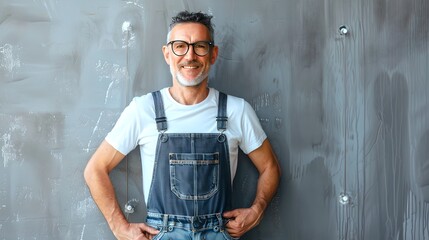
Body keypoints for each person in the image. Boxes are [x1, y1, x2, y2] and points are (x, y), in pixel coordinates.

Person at [84, 10, 281, 240]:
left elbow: (270, 168)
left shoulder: (236, 111)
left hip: (219, 233)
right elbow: (95, 169)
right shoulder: (144, 109)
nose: (190, 56)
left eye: (200, 46)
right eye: (180, 46)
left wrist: (257, 210)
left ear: (213, 54)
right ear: (167, 54)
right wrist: (119, 227)